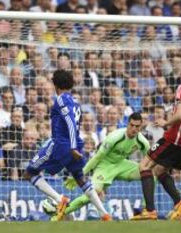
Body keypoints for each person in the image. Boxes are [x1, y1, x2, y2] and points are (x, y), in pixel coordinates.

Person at [23, 70, 111, 221]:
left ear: (55, 85)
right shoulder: (75, 102)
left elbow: (70, 122)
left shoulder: (61, 100)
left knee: (29, 173)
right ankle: (104, 214)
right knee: (80, 178)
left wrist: (72, 147)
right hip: (75, 143)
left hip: (61, 145)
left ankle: (59, 199)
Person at [131, 58, 181, 220]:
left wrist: (166, 122)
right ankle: (179, 202)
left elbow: (179, 116)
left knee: (144, 166)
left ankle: (150, 210)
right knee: (159, 170)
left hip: (176, 136)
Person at [62, 112, 150, 217]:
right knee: (91, 195)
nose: (134, 129)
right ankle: (62, 212)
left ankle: (147, 210)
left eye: (137, 126)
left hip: (122, 165)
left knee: (150, 174)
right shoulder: (114, 137)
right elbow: (97, 157)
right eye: (132, 125)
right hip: (104, 166)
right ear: (127, 124)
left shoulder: (142, 142)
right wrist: (80, 175)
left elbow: (150, 159)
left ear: (141, 127)